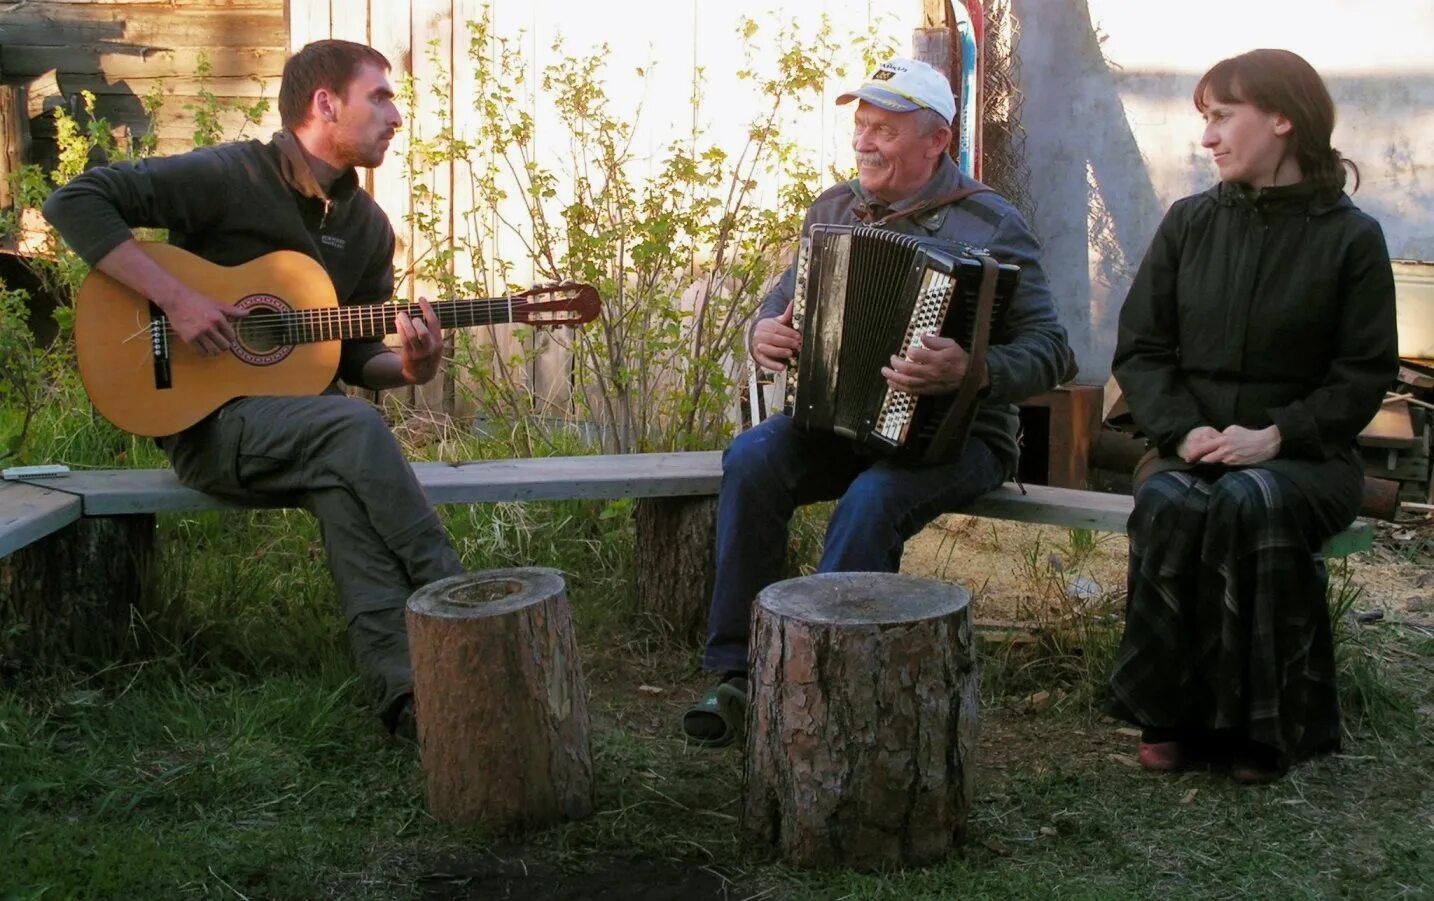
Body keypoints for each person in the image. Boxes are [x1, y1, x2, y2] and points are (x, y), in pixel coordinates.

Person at [42, 40, 464, 739]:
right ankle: (457, 595)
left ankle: (411, 702)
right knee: (351, 429)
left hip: (303, 433)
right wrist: (177, 300)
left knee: (341, 480)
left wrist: (414, 369)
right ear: (325, 103)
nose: (397, 116)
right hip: (208, 425)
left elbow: (358, 354)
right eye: (380, 98)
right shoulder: (229, 174)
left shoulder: (367, 227)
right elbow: (75, 200)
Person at [682, 57, 1074, 746]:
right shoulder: (834, 207)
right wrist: (760, 333)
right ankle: (737, 674)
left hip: (960, 436)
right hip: (840, 420)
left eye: (884, 129)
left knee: (872, 498)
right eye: (861, 125)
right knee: (751, 457)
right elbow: (779, 303)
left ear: (936, 141)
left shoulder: (991, 224)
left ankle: (822, 685)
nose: (864, 141)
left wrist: (972, 368)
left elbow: (1053, 351)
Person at [1106, 49, 1398, 783]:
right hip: (1189, 442)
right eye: (1205, 119)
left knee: (1250, 499)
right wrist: (1181, 430)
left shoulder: (1351, 238)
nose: (1208, 137)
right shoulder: (1187, 224)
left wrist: (1278, 434)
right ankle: (1166, 714)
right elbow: (1141, 350)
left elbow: (1362, 374)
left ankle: (1264, 724)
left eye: (1222, 116)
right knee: (1171, 497)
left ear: (1282, 118)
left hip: (1308, 455)